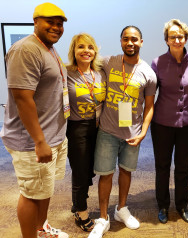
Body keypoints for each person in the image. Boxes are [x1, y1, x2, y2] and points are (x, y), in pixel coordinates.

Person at [0, 2, 69, 238]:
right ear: (35, 21)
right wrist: (40, 141)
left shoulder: (48, 48)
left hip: (54, 135)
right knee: (31, 193)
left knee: (43, 188)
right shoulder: (25, 50)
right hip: (32, 141)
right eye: (50, 21)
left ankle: (42, 228)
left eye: (60, 24)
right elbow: (22, 99)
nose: (56, 27)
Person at [88, 26, 157, 238]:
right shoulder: (108, 62)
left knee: (126, 171)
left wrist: (144, 132)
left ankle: (121, 209)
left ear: (141, 42)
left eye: (134, 39)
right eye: (126, 39)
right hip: (108, 130)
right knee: (106, 174)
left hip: (132, 133)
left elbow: (149, 106)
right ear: (120, 41)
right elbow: (84, 64)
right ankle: (103, 218)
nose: (130, 43)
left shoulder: (149, 73)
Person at [150, 19, 188, 224]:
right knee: (162, 166)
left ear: (186, 37)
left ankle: (182, 205)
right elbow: (150, 93)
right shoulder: (158, 62)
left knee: (183, 167)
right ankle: (162, 205)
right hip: (162, 122)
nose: (177, 40)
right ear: (167, 40)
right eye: (173, 37)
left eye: (180, 36)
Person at [66, 33, 106, 232]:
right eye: (81, 47)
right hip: (77, 128)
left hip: (98, 127)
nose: (86, 51)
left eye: (90, 47)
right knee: (80, 171)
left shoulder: (99, 73)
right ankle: (80, 210)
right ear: (74, 50)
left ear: (95, 51)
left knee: (90, 169)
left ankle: (80, 202)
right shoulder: (66, 73)